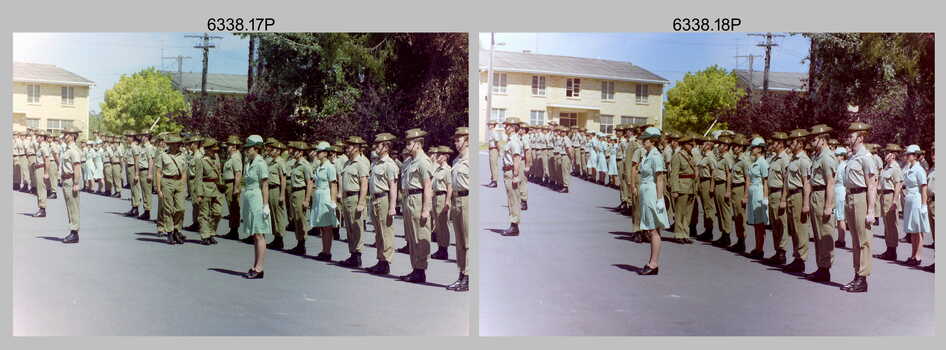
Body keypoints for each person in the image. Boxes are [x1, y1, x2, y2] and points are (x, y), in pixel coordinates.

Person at [841, 122, 878, 293]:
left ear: (860, 138)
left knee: (863, 239)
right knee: (855, 240)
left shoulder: (866, 157)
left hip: (861, 197)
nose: (848, 138)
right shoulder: (853, 156)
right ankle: (857, 275)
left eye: (851, 135)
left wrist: (871, 210)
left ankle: (863, 278)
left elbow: (871, 184)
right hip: (850, 197)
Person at [399, 128, 435, 283]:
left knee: (420, 235)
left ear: (419, 144)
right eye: (407, 142)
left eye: (410, 143)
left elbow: (428, 186)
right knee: (412, 236)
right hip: (409, 199)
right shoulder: (410, 161)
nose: (407, 145)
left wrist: (426, 209)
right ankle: (415, 268)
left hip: (418, 199)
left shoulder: (423, 161)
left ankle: (420, 270)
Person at [806, 125, 838, 281]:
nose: (812, 142)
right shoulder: (817, 156)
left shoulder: (826, 157)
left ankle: (825, 269)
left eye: (814, 139)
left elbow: (830, 183)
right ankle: (821, 266)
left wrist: (828, 206)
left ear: (823, 139)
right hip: (816, 193)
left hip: (823, 194)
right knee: (818, 233)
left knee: (825, 233)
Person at [636, 127, 669, 276]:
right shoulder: (647, 154)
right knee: (651, 228)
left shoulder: (655, 156)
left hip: (652, 192)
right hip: (646, 191)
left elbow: (660, 178)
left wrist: (660, 198)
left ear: (653, 140)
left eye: (646, 139)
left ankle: (654, 263)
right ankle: (652, 262)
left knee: (653, 229)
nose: (644, 141)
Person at [363, 135, 397, 273]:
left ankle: (385, 262)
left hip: (384, 199)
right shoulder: (376, 164)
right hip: (374, 199)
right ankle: (380, 260)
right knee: (378, 232)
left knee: (385, 232)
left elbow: (393, 187)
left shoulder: (390, 165)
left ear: (386, 147)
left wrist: (392, 206)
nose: (376, 147)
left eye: (379, 145)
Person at [239, 135, 272, 279]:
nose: (247, 150)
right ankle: (255, 265)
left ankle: (259, 268)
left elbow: (264, 185)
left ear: (256, 148)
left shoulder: (260, 163)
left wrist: (265, 205)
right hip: (249, 197)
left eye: (249, 147)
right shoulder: (249, 162)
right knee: (254, 233)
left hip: (257, 198)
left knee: (259, 233)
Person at [783, 129, 812, 273]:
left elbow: (807, 183)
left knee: (800, 228)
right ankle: (796, 257)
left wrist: (806, 204)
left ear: (800, 143)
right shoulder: (793, 159)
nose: (790, 144)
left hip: (799, 195)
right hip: (791, 195)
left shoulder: (804, 161)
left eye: (793, 141)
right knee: (793, 228)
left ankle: (801, 260)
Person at [338, 136, 370, 268]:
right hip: (347, 198)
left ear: (356, 148)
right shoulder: (348, 163)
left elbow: (364, 184)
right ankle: (352, 254)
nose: (347, 148)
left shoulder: (361, 163)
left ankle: (357, 255)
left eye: (350, 146)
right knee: (349, 227)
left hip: (355, 197)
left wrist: (361, 202)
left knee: (356, 227)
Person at [447, 127, 471, 291]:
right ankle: (461, 273)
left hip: (468, 199)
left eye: (459, 140)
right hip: (457, 199)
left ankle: (469, 277)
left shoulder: (471, 159)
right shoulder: (456, 161)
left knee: (469, 242)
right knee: (460, 242)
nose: (456, 143)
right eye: (455, 140)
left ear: (468, 140)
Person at [310, 141, 341, 261]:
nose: (317, 153)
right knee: (322, 225)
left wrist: (333, 201)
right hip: (319, 196)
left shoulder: (330, 167)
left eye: (319, 151)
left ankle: (327, 252)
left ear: (325, 153)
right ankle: (324, 250)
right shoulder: (319, 166)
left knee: (327, 226)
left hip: (326, 196)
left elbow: (333, 184)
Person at [764, 131, 791, 265]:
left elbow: (786, 180)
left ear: (780, 144)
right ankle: (777, 250)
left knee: (781, 224)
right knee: (774, 224)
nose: (772, 144)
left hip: (780, 193)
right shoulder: (774, 159)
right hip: (772, 193)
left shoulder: (784, 159)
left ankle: (782, 252)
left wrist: (783, 199)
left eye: (774, 142)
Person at [901, 144, 931, 266]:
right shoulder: (909, 168)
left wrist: (924, 205)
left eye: (909, 154)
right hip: (910, 199)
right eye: (907, 154)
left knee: (918, 230)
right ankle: (913, 255)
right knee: (912, 230)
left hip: (917, 200)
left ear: (915, 155)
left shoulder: (919, 169)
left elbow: (923, 188)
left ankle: (918, 256)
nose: (907, 156)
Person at [155, 135, 188, 245]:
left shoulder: (183, 155)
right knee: (168, 209)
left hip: (178, 182)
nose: (176, 146)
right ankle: (170, 232)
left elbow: (184, 172)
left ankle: (177, 229)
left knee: (181, 208)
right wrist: (158, 189)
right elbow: (159, 172)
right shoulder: (163, 155)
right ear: (170, 145)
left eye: (178, 143)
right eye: (174, 144)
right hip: (167, 182)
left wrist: (183, 186)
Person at [874, 144, 904, 261]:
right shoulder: (886, 167)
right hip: (884, 195)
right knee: (887, 224)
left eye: (887, 153)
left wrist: (895, 201)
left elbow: (898, 185)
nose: (885, 155)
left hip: (890, 196)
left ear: (893, 154)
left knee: (892, 224)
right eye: (885, 152)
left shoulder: (895, 167)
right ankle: (889, 249)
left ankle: (892, 251)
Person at [284, 141, 313, 255]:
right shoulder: (296, 164)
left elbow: (309, 183)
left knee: (301, 219)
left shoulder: (305, 165)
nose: (293, 153)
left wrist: (306, 200)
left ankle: (302, 245)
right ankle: (299, 242)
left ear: (300, 152)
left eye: (295, 151)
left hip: (301, 192)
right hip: (294, 192)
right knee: (296, 218)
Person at [744, 137, 770, 259]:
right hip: (753, 192)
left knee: (759, 223)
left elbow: (765, 181)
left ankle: (760, 249)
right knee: (755, 222)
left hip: (759, 191)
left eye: (754, 147)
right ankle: (757, 247)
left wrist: (765, 197)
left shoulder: (763, 163)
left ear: (760, 149)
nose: (752, 150)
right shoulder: (755, 162)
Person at [193, 138, 223, 246]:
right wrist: (199, 194)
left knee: (217, 212)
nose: (215, 152)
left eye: (216, 150)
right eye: (213, 150)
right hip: (205, 188)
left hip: (216, 188)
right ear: (207, 149)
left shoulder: (216, 158)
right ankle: (205, 235)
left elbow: (219, 173)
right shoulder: (201, 160)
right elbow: (198, 178)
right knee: (204, 214)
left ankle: (212, 232)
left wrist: (221, 186)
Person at [669, 134, 697, 243]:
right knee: (680, 211)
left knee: (688, 212)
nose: (692, 146)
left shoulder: (691, 156)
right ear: (684, 145)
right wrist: (674, 189)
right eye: (690, 144)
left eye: (692, 144)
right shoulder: (678, 156)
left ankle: (685, 233)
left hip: (691, 186)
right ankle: (679, 234)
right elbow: (674, 174)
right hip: (682, 186)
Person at [59, 128, 83, 244]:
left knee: (73, 206)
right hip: (66, 180)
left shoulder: (73, 150)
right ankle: (73, 231)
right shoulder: (67, 149)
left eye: (66, 134)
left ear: (73, 136)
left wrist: (76, 183)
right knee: (70, 205)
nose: (64, 136)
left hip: (71, 180)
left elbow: (77, 167)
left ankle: (74, 233)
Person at [264, 140, 289, 249]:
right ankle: (276, 237)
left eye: (273, 149)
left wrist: (282, 194)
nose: (270, 150)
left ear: (278, 151)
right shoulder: (271, 161)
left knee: (278, 214)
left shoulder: (280, 162)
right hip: (270, 189)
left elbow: (283, 179)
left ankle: (279, 239)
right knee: (273, 214)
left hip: (276, 189)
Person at [500, 118, 523, 236]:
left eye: (507, 126)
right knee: (511, 199)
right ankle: (514, 225)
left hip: (511, 172)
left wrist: (515, 175)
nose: (505, 128)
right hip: (507, 172)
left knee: (513, 200)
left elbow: (516, 159)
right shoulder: (510, 140)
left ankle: (514, 226)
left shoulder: (514, 141)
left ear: (513, 128)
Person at [431, 146, 453, 260]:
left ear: (445, 157)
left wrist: (447, 201)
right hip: (435, 197)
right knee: (438, 225)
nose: (437, 156)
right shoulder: (438, 169)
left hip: (442, 197)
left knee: (443, 225)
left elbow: (450, 186)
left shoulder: (447, 170)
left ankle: (444, 250)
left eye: (439, 155)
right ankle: (440, 247)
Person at [221, 136, 244, 240]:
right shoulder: (231, 157)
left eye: (229, 145)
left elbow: (238, 174)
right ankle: (233, 229)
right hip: (229, 184)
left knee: (234, 207)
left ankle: (234, 231)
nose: (227, 147)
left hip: (232, 184)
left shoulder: (236, 157)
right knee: (231, 207)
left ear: (234, 146)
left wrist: (236, 188)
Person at [31, 130, 49, 218]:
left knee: (41, 189)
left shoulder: (44, 147)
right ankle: (41, 208)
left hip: (41, 169)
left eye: (38, 136)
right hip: (38, 168)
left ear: (42, 137)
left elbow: (47, 161)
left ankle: (42, 209)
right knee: (39, 189)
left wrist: (46, 173)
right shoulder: (39, 146)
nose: (36, 137)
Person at [834, 147, 849, 248]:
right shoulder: (840, 165)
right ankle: (840, 238)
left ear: (842, 156)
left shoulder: (843, 166)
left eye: (837, 155)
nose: (836, 157)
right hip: (838, 190)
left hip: (841, 190)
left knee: (841, 217)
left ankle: (841, 239)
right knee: (839, 217)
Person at [124, 131, 141, 217]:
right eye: (127, 137)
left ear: (133, 138)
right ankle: (134, 206)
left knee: (135, 189)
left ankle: (136, 207)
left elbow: (137, 161)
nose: (127, 138)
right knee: (132, 188)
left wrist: (137, 174)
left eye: (129, 137)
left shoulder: (134, 147)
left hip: (133, 168)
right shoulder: (129, 147)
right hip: (129, 167)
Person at [486, 121, 502, 188]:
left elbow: (497, 142)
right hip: (491, 149)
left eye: (490, 124)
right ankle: (493, 180)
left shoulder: (494, 132)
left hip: (494, 149)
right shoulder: (491, 132)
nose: (489, 125)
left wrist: (499, 151)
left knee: (493, 166)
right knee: (492, 165)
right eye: (489, 124)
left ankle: (494, 181)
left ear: (493, 125)